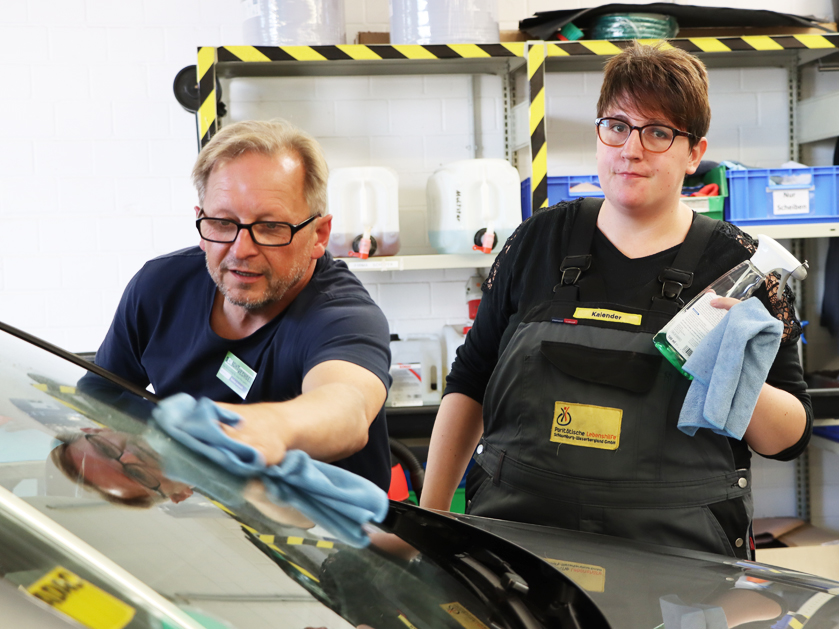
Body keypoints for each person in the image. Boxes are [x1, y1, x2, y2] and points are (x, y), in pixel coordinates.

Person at [420, 42, 813, 559]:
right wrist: (428, 523)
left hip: (681, 573)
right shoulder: (538, 241)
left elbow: (788, 439)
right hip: (522, 553)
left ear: (694, 152)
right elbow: (469, 383)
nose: (632, 149)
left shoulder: (741, 266)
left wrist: (729, 374)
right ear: (600, 135)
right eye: (618, 126)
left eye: (658, 132)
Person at [87, 119, 392, 491]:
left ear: (319, 235)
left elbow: (348, 407)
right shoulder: (159, 288)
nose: (241, 249)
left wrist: (265, 428)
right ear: (201, 221)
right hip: (203, 527)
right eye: (222, 223)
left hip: (325, 542)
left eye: (271, 227)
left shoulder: (341, 315)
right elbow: (97, 400)